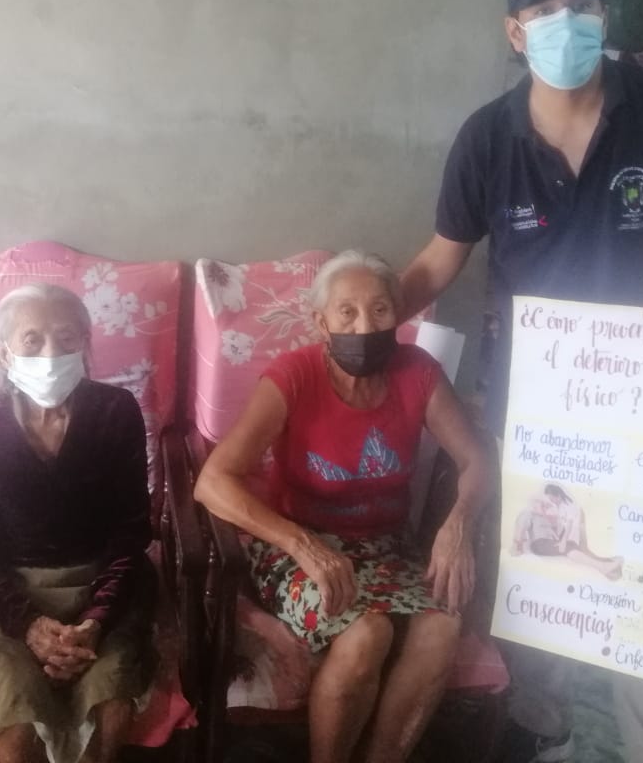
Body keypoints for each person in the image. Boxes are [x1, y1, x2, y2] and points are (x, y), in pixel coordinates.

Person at [400, 0, 643, 763]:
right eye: (546, 8)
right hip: (541, 406)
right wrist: (369, 315)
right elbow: (440, 260)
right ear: (515, 32)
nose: (568, 21)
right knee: (545, 582)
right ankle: (542, 733)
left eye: (581, 4)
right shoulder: (488, 139)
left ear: (605, 13)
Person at [194, 250, 493, 763]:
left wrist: (459, 523)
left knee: (442, 626)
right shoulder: (294, 376)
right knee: (367, 632)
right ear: (321, 323)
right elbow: (212, 482)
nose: (364, 326)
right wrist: (302, 545)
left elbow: (477, 459)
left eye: (380, 310)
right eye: (347, 312)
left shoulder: (418, 372)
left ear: (397, 314)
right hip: (295, 545)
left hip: (386, 547)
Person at [0, 284, 156, 763]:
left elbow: (130, 533)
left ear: (85, 344)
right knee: (16, 713)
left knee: (112, 704)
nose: (51, 354)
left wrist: (96, 621)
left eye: (66, 338)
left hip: (101, 580)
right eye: (32, 340)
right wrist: (29, 626)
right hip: (3, 587)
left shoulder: (116, 412)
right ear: (4, 352)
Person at [511, 484, 622, 580]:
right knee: (567, 546)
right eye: (541, 504)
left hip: (548, 543)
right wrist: (517, 547)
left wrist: (559, 539)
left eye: (545, 504)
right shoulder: (528, 514)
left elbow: (555, 532)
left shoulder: (546, 517)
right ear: (533, 505)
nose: (545, 506)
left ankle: (609, 567)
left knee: (571, 544)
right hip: (539, 544)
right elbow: (520, 530)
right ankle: (602, 567)